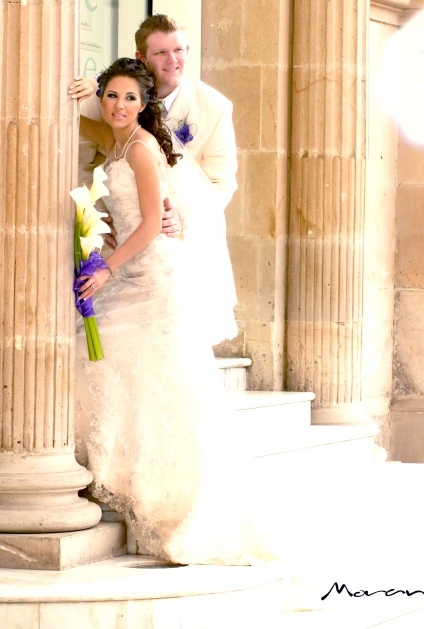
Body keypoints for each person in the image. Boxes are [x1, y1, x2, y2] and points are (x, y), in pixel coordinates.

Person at [73, 58, 277, 566]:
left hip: (152, 278)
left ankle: (157, 495)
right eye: (112, 95)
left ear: (145, 105)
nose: (119, 106)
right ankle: (119, 476)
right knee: (111, 365)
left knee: (152, 377)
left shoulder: (141, 149)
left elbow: (148, 226)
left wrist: (105, 269)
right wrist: (74, 90)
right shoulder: (116, 136)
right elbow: (73, 116)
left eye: (130, 99)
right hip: (131, 269)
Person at [70, 14, 238, 344]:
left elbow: (222, 183)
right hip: (116, 239)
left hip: (166, 245)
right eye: (161, 53)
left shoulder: (214, 107)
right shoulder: (110, 98)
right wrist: (98, 220)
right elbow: (80, 160)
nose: (173, 60)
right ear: (141, 58)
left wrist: (183, 218)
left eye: (179, 50)